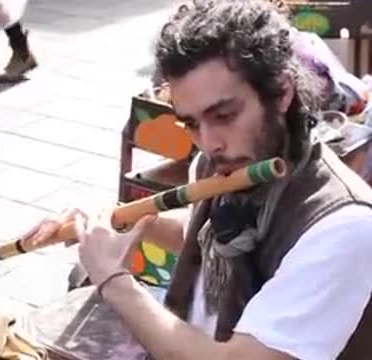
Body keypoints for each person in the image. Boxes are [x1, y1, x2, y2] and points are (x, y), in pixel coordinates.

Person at [21, 1, 372, 359]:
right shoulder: (220, 162)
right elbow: (201, 234)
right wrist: (119, 219)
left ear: (282, 93)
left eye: (224, 115)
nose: (209, 143)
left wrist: (114, 280)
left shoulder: (346, 227)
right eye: (191, 123)